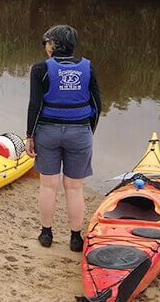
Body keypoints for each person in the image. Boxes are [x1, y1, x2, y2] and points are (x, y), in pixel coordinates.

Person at [25, 24, 101, 252]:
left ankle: (46, 234)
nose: (45, 47)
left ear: (53, 45)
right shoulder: (88, 68)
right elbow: (97, 105)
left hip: (48, 132)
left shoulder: (40, 69)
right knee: (75, 188)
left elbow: (35, 106)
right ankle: (76, 237)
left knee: (48, 187)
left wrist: (30, 136)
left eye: (46, 42)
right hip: (80, 133)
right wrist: (88, 132)